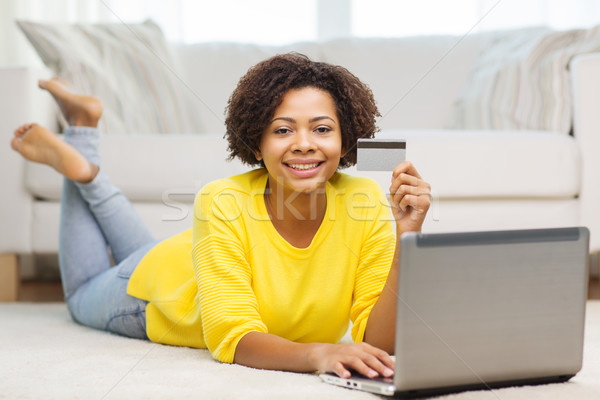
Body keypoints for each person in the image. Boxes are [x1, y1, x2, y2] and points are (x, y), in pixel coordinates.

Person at [10, 53, 431, 380]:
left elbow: (380, 344)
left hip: (186, 258)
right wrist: (317, 352)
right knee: (81, 296)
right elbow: (231, 338)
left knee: (138, 249)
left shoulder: (368, 202)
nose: (304, 144)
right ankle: (81, 163)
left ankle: (84, 131)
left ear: (345, 138)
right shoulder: (221, 199)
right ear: (257, 141)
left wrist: (405, 241)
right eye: (283, 130)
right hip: (156, 292)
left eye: (321, 129)